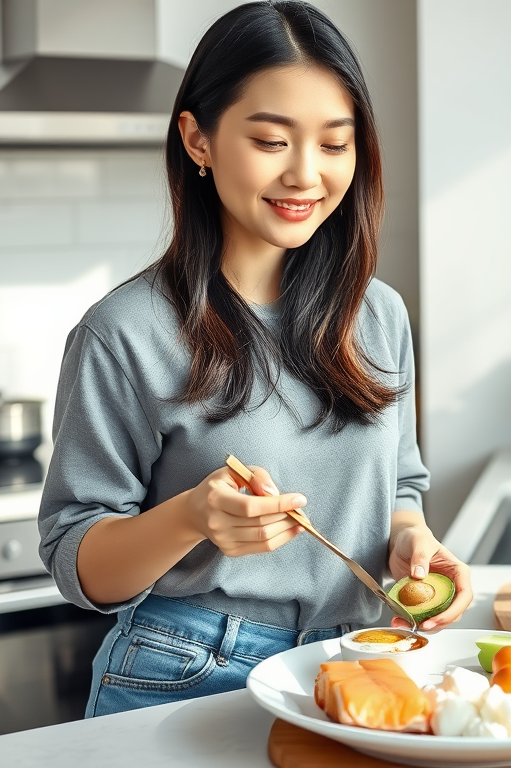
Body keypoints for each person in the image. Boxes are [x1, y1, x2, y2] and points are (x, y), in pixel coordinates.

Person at [38, 0, 472, 718]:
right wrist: (192, 517)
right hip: (186, 670)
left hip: (358, 663)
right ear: (198, 139)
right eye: (272, 141)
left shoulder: (379, 315)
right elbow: (77, 562)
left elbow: (399, 487)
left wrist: (413, 544)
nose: (306, 174)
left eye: (335, 144)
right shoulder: (124, 332)